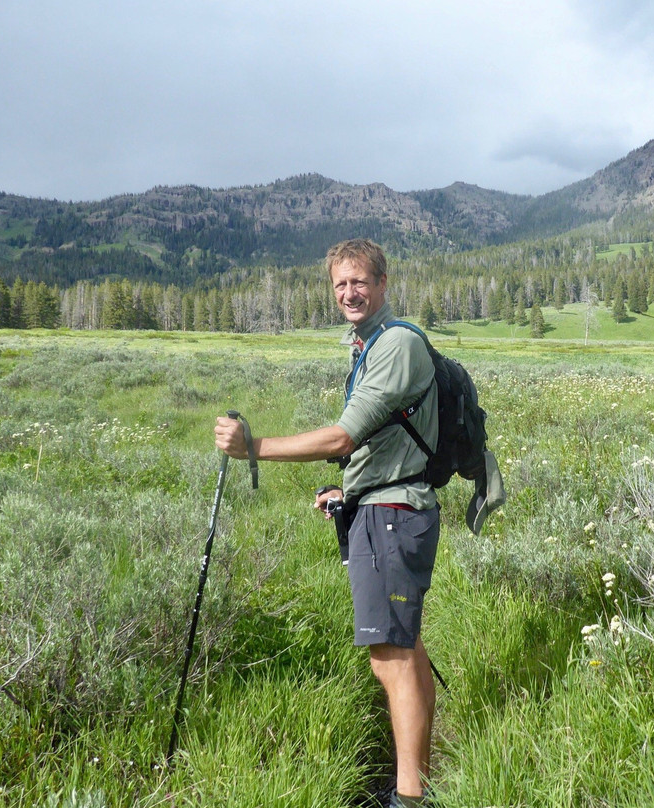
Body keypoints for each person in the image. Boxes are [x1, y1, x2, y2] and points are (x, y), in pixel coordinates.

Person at [214, 238, 439, 807]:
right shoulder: (370, 343)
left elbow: (343, 436)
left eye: (359, 281)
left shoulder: (396, 345)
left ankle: (409, 797)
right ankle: (419, 783)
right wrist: (350, 488)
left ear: (383, 283)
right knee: (405, 648)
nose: (349, 293)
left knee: (390, 656)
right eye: (340, 284)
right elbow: (383, 438)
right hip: (384, 505)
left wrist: (253, 448)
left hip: (392, 515)